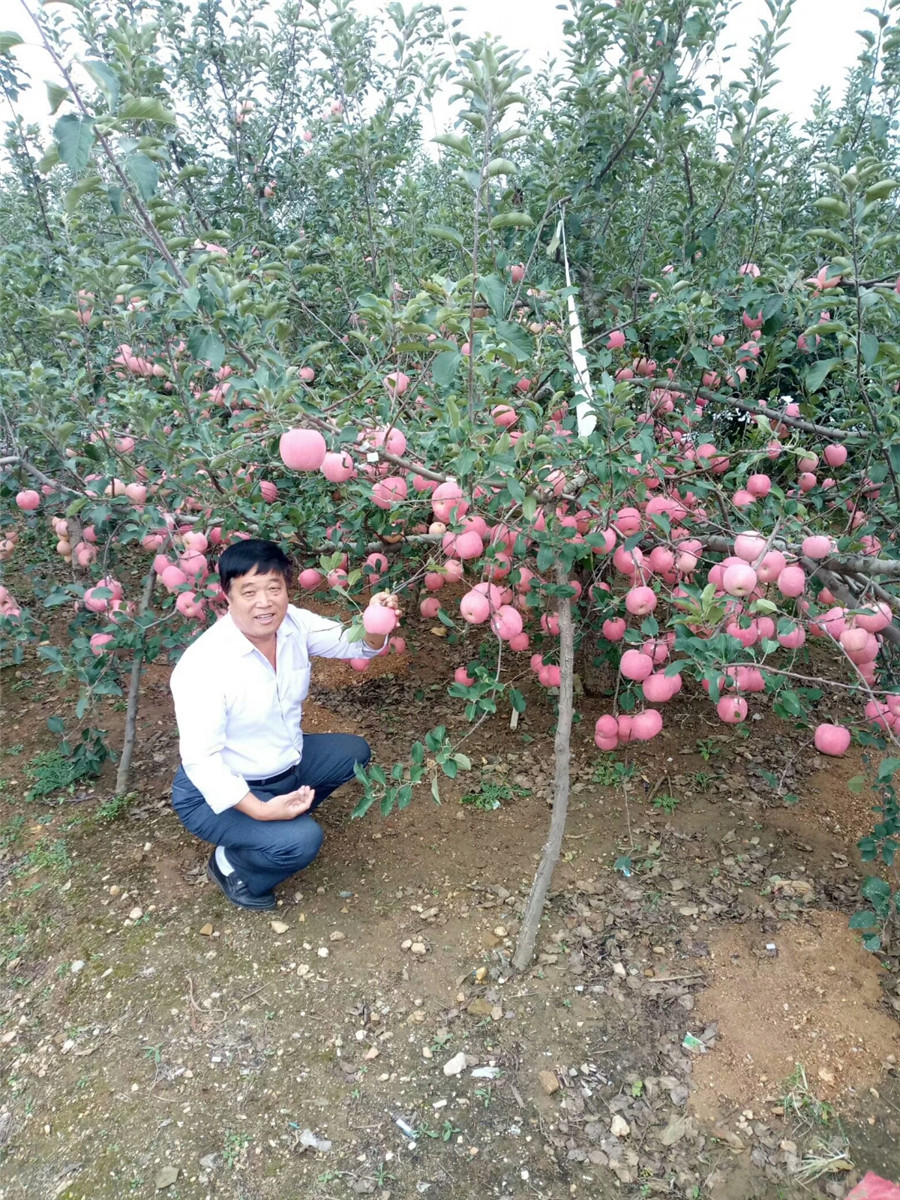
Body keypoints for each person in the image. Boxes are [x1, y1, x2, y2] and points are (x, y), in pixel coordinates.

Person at [170, 538, 400, 910]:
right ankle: (235, 867)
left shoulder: (295, 625)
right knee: (302, 840)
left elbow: (356, 644)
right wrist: (261, 810)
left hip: (284, 765)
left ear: (286, 590)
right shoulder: (204, 666)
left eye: (274, 588)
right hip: (214, 793)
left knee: (353, 754)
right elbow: (202, 760)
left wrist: (376, 622)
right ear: (226, 596)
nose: (265, 602)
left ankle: (275, 824)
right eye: (249, 591)